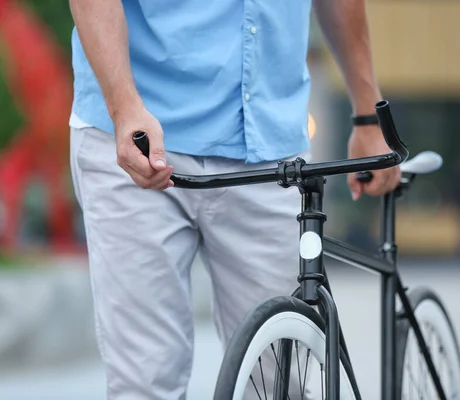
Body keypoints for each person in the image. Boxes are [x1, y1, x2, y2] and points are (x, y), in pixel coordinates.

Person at [68, 0, 400, 398]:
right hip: (139, 135)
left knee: (280, 378)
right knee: (144, 381)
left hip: (269, 145)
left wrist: (367, 112)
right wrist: (124, 106)